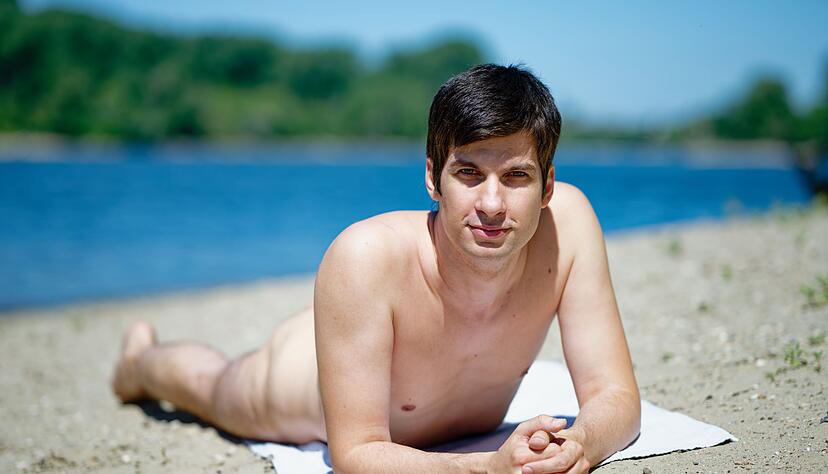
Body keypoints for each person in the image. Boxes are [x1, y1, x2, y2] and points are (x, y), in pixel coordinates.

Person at [112, 64, 640, 473]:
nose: (493, 204)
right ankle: (139, 362)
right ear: (433, 179)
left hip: (369, 322)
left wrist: (581, 444)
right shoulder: (363, 255)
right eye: (469, 173)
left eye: (517, 176)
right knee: (214, 386)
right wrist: (487, 464)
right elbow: (356, 455)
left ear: (547, 186)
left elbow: (615, 398)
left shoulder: (567, 225)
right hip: (297, 375)